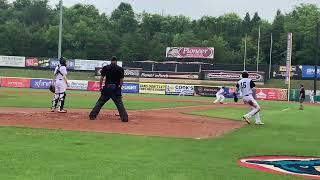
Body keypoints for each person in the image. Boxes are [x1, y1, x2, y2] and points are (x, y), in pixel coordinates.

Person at [89, 56, 128, 122]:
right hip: (115, 88)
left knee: (100, 102)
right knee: (119, 104)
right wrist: (119, 88)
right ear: (116, 61)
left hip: (107, 88)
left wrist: (100, 87)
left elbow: (102, 78)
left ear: (111, 61)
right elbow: (121, 81)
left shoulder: (105, 68)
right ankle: (124, 118)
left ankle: (92, 116)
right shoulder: (120, 69)